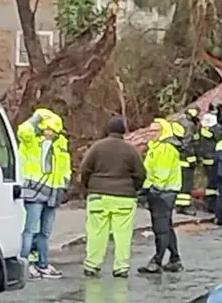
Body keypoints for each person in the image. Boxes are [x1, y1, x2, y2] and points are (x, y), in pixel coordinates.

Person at [79, 115, 147, 278]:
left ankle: (92, 264)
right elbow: (140, 174)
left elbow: (85, 170)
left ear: (108, 130)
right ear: (123, 131)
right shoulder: (130, 150)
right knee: (122, 233)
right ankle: (121, 267)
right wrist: (133, 188)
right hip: (124, 197)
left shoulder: (97, 147)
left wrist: (90, 187)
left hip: (98, 196)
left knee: (96, 232)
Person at [17, 107, 70, 278]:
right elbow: (23, 130)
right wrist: (36, 116)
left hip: (52, 193)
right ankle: (25, 263)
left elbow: (65, 168)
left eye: (54, 130)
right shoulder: (31, 141)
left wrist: (64, 185)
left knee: (45, 233)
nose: (51, 133)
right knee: (30, 229)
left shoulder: (60, 144)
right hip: (34, 191)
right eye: (48, 129)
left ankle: (43, 263)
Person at [138, 118, 185, 274]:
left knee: (161, 228)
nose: (151, 133)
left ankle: (157, 260)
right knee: (166, 226)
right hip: (163, 190)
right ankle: (174, 259)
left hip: (162, 192)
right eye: (150, 130)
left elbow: (161, 174)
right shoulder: (158, 147)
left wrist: (151, 189)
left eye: (155, 131)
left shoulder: (165, 148)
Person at [175, 107, 201, 214]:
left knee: (180, 183)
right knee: (186, 184)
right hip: (186, 160)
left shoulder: (179, 122)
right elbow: (188, 143)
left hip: (178, 158)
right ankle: (184, 207)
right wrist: (192, 159)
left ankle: (179, 206)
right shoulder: (189, 126)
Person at [197, 108, 222, 213]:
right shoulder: (215, 129)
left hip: (205, 158)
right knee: (213, 183)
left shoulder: (201, 129)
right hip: (214, 158)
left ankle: (209, 204)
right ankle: (212, 205)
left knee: (209, 183)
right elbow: (220, 138)